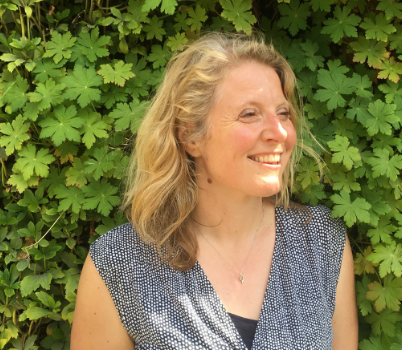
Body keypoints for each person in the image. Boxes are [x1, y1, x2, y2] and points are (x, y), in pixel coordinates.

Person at [71, 31, 358, 349]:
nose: (279, 132)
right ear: (191, 136)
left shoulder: (320, 242)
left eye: (283, 113)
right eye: (249, 114)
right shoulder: (120, 262)